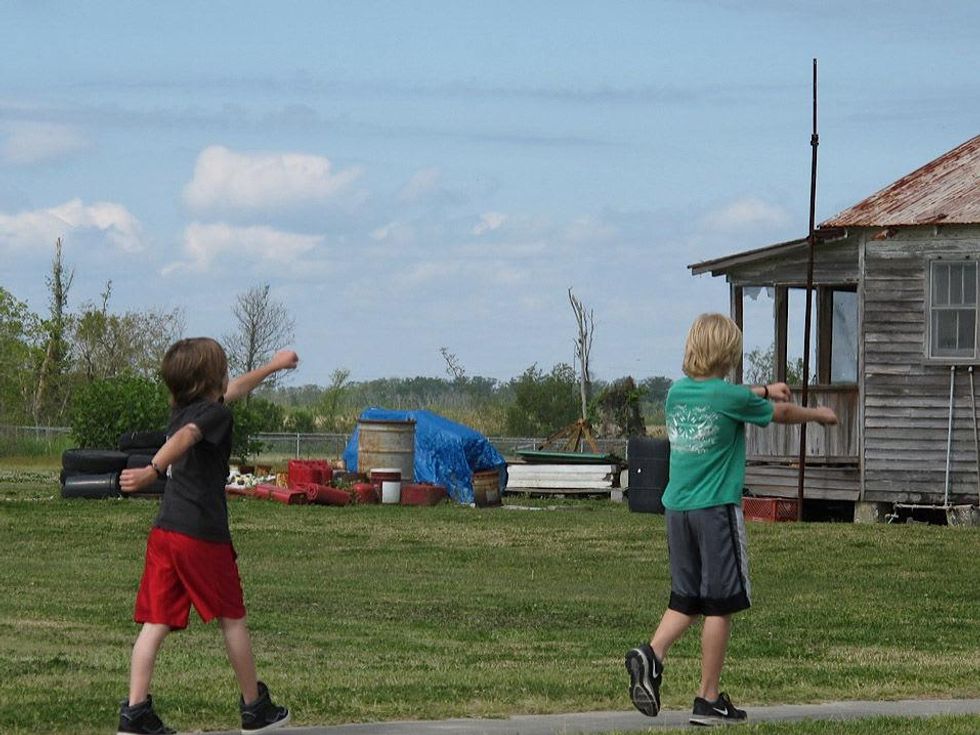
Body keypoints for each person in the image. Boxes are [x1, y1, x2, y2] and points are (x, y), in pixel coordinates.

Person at [625, 313, 837, 727]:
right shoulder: (731, 398)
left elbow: (722, 395)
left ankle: (651, 656)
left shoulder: (675, 394)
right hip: (716, 511)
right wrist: (816, 415)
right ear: (728, 353)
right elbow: (781, 414)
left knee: (685, 599)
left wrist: (760, 389)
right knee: (720, 604)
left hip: (677, 511)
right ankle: (707, 699)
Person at [116, 338, 299, 735]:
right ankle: (255, 709)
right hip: (200, 535)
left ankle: (135, 713)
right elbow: (186, 439)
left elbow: (229, 394)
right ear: (211, 379)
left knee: (156, 621)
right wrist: (153, 469)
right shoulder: (210, 419)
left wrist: (273, 366)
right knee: (232, 618)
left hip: (166, 531)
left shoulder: (183, 409)